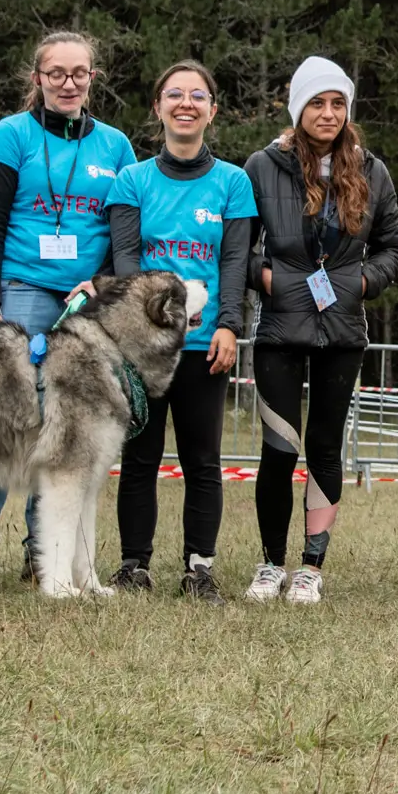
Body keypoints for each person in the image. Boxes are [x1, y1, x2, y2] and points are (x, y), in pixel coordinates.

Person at [0, 31, 137, 590]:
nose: (68, 82)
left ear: (93, 79)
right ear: (37, 78)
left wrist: (101, 282)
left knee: (69, 430)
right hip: (22, 290)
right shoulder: (11, 136)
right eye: (56, 72)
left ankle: (45, 555)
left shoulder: (116, 147)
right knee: (7, 420)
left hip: (87, 304)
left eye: (79, 73)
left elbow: (124, 231)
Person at [240, 57, 398, 605]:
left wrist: (359, 282)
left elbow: (391, 249)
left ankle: (311, 566)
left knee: (325, 449)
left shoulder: (372, 170)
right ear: (298, 109)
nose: (328, 113)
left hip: (343, 332)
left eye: (338, 104)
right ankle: (270, 564)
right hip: (279, 329)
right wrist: (267, 277)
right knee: (279, 449)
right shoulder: (263, 166)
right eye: (317, 103)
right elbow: (238, 245)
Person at [104, 61, 255, 602]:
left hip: (203, 345)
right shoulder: (132, 181)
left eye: (197, 96)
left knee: (202, 461)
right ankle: (133, 566)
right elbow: (125, 260)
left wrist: (230, 327)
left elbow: (234, 263)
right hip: (145, 347)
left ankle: (199, 569)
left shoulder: (234, 183)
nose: (185, 103)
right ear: (158, 107)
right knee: (140, 459)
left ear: (212, 110)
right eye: (174, 94)